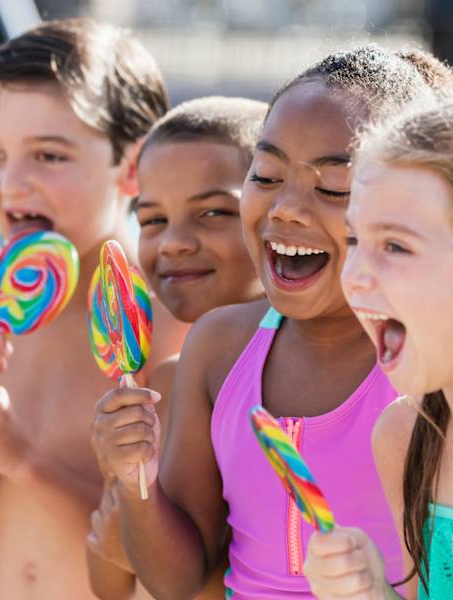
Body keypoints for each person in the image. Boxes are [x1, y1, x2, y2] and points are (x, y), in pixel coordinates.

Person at [91, 46, 451, 598]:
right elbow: (176, 579)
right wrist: (132, 476)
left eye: (332, 187)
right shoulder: (219, 348)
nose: (285, 207)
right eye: (265, 175)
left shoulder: (421, 372)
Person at [0, 17, 187, 599]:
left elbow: (154, 559)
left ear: (133, 167)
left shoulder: (164, 318)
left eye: (49, 155)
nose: (12, 182)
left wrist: (19, 456)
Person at [87, 95, 267, 599]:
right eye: (152, 220)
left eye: (212, 211)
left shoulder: (294, 373)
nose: (173, 243)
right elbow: (109, 577)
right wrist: (118, 473)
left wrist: (143, 553)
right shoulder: (159, 386)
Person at [304, 100, 453, 600]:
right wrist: (369, 592)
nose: (354, 275)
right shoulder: (406, 439)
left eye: (394, 245)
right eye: (353, 240)